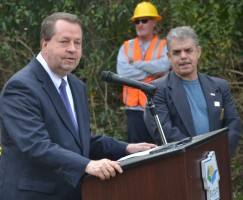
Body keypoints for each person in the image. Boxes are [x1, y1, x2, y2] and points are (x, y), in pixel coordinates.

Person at [0, 12, 156, 200]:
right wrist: (86, 165)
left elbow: (78, 141)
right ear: (44, 44)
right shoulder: (21, 87)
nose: (72, 49)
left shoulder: (75, 85)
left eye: (78, 43)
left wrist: (126, 148)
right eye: (64, 42)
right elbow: (36, 145)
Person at [144, 26, 242, 157]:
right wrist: (198, 155)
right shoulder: (157, 90)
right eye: (177, 52)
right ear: (169, 56)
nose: (183, 56)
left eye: (188, 50)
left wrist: (220, 153)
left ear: (198, 52)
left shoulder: (220, 86)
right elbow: (164, 131)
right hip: (181, 164)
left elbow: (233, 124)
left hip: (218, 162)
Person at [116, 1, 171, 143]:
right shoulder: (127, 46)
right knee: (136, 150)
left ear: (154, 22)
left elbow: (164, 66)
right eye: (137, 21)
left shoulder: (164, 45)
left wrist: (137, 64)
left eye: (144, 20)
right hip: (133, 109)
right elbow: (122, 72)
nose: (140, 24)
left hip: (158, 106)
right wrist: (151, 72)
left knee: (160, 148)